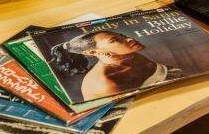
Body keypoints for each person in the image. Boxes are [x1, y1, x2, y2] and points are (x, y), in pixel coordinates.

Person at [50, 31, 182, 101]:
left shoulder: (132, 56)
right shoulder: (105, 81)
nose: (129, 39)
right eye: (114, 40)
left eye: (122, 36)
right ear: (93, 52)